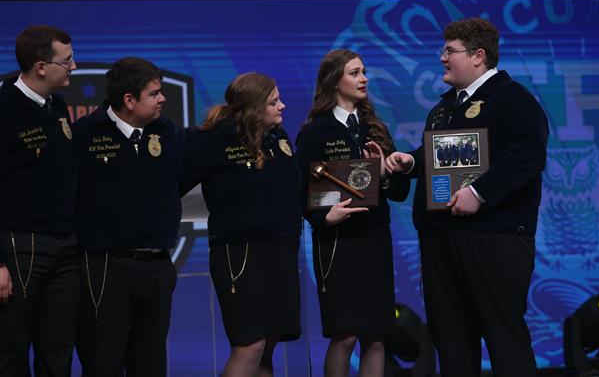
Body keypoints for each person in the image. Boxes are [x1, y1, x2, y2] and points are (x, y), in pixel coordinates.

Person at [386, 18, 549, 377]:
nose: (442, 58)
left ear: (478, 56)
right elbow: (444, 157)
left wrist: (480, 193)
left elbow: (527, 156)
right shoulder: (444, 107)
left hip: (494, 238)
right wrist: (411, 162)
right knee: (452, 341)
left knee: (504, 338)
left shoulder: (513, 99)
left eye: (450, 51)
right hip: (442, 239)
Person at [296, 49, 409, 377]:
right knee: (345, 335)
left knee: (376, 337)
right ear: (334, 80)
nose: (364, 79)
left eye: (364, 72)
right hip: (338, 242)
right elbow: (301, 192)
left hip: (374, 238)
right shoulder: (315, 132)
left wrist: (383, 173)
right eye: (355, 73)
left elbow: (399, 191)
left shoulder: (375, 128)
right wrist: (322, 218)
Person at [180, 72, 301, 377]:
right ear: (253, 108)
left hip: (280, 250)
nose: (282, 106)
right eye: (274, 102)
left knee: (269, 345)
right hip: (239, 255)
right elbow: (175, 185)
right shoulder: (215, 139)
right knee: (250, 346)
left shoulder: (277, 137)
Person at [72, 57, 186, 377]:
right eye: (154, 93)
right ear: (129, 100)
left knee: (151, 365)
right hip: (106, 267)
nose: (162, 99)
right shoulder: (84, 135)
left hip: (158, 266)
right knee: (103, 362)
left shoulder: (169, 132)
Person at [0, 25, 80, 377]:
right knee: (11, 349)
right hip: (19, 246)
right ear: (41, 67)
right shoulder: (4, 108)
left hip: (65, 245)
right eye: (67, 60)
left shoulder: (57, 105)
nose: (74, 66)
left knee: (59, 348)